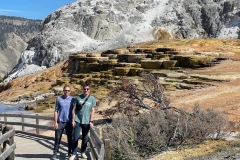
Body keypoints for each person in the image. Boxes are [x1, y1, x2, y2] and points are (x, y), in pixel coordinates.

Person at [69, 84, 96, 160]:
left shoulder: (92, 99)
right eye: (84, 89)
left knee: (85, 138)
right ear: (82, 89)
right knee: (75, 137)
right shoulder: (78, 98)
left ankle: (82, 152)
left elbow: (93, 111)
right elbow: (73, 110)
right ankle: (73, 154)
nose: (86, 90)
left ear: (89, 90)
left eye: (87, 89)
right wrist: (73, 120)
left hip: (86, 121)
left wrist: (91, 121)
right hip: (77, 120)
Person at [51, 85, 74, 160]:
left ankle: (70, 153)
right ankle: (55, 153)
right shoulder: (59, 99)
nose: (67, 92)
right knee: (57, 138)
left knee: (70, 138)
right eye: (65, 90)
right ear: (63, 91)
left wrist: (73, 120)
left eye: (68, 90)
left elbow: (74, 111)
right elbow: (56, 111)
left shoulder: (73, 99)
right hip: (60, 122)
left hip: (69, 122)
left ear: (70, 91)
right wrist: (55, 122)